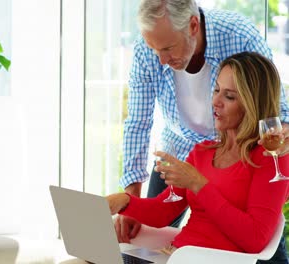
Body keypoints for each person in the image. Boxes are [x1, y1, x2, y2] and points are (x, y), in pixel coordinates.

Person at [119, 0, 289, 263]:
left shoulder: (237, 35)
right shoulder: (200, 153)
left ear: (193, 26)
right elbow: (138, 123)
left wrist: (200, 184)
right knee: (132, 241)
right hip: (183, 154)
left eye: (229, 95)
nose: (160, 59)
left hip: (239, 162)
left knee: (267, 246)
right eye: (216, 90)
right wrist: (123, 200)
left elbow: (275, 108)